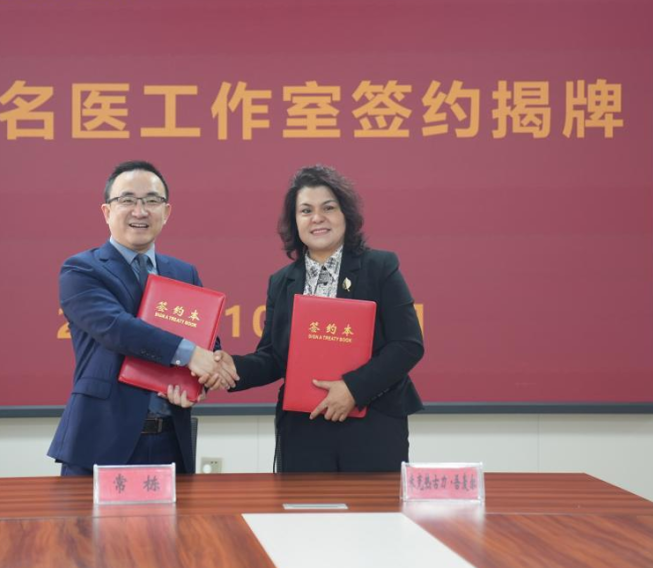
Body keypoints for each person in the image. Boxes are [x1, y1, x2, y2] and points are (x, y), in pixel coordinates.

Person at [220, 164, 424, 472]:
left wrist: (352, 390)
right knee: (304, 505)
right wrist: (230, 368)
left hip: (373, 422)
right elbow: (274, 357)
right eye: (306, 211)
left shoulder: (380, 267)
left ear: (345, 215)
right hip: (303, 427)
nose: (317, 218)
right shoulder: (282, 281)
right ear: (295, 221)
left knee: (375, 506)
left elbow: (407, 344)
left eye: (328, 208)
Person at [48, 160, 236, 476]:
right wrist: (192, 355)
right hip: (101, 439)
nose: (140, 211)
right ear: (107, 211)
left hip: (170, 439)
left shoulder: (183, 272)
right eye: (128, 200)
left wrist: (203, 378)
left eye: (151, 201)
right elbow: (117, 328)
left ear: (166, 212)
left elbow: (206, 339)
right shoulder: (81, 269)